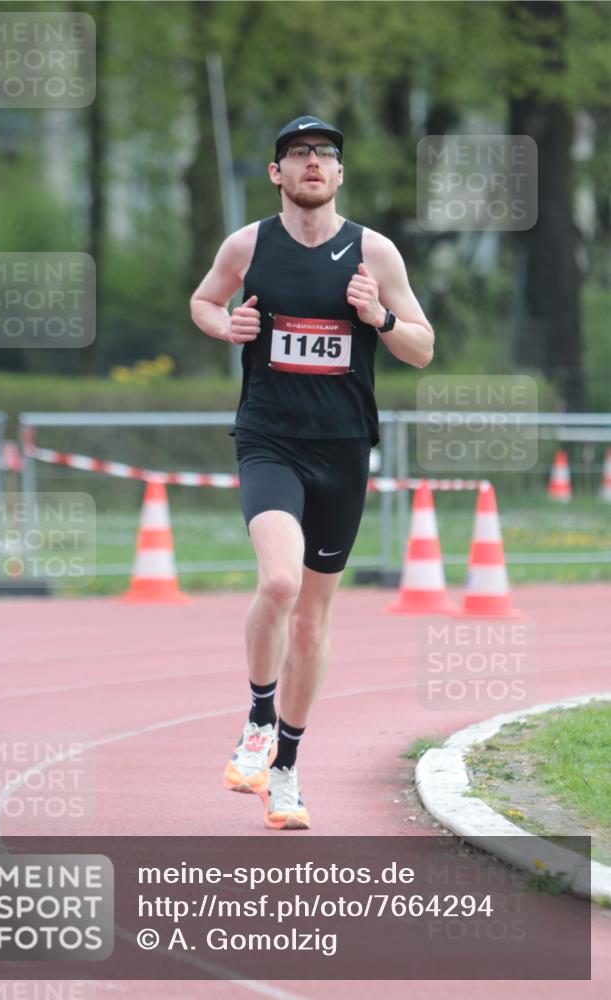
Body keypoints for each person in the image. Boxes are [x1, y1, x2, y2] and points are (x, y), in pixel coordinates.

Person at [190, 115, 434, 830]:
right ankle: (258, 717)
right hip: (269, 440)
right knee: (278, 581)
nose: (312, 164)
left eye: (325, 154)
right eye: (298, 154)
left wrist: (379, 318)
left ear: (339, 174)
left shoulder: (373, 252)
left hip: (342, 449)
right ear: (276, 174)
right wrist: (223, 325)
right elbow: (205, 301)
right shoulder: (248, 245)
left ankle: (287, 770)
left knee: (313, 621)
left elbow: (421, 347)